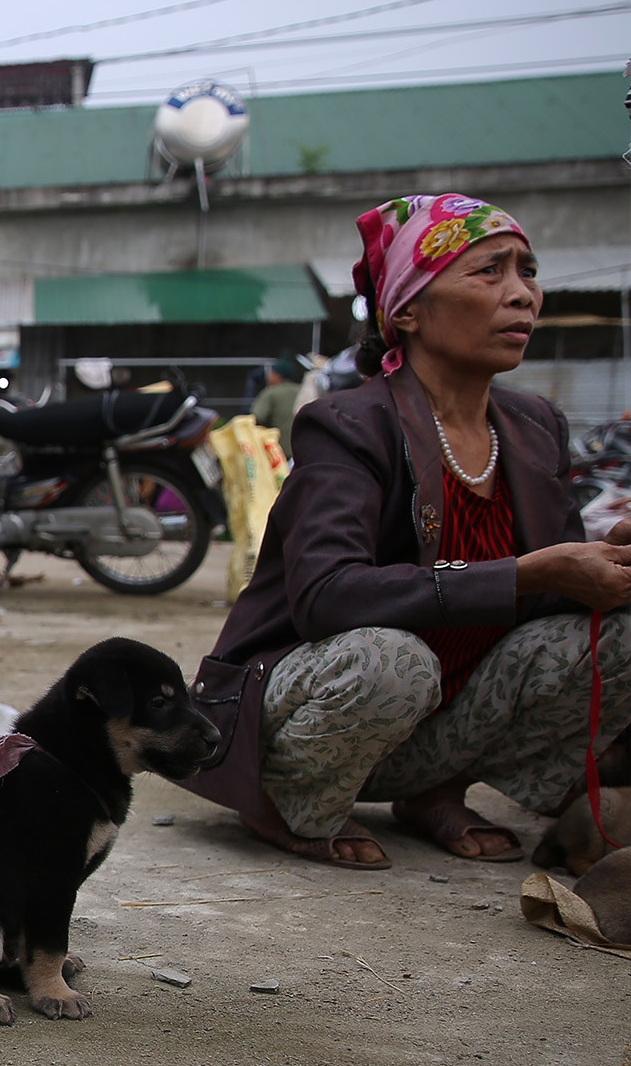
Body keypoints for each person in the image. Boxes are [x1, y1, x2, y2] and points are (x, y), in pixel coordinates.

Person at [179, 194, 631, 869]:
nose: (522, 295)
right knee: (391, 658)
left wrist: (607, 557)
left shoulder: (536, 425)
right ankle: (284, 802)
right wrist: (529, 572)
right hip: (319, 707)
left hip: (433, 726)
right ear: (407, 310)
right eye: (489, 272)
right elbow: (328, 595)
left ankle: (435, 788)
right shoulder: (348, 425)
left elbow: (553, 608)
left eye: (527, 271)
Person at [250, 351, 305, 455]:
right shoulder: (302, 391)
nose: (268, 376)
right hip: (301, 449)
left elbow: (257, 416)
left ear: (278, 375)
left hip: (277, 450)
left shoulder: (271, 392)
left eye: (271, 373)